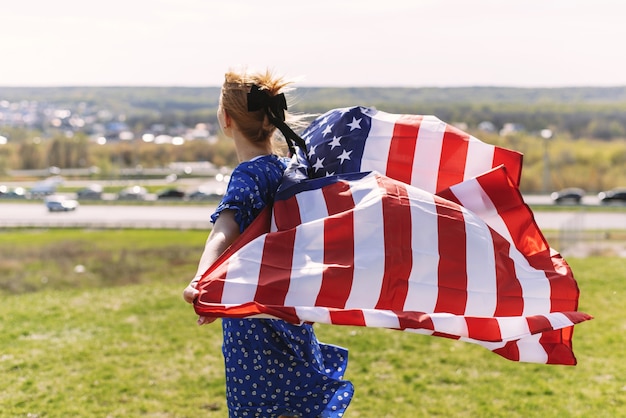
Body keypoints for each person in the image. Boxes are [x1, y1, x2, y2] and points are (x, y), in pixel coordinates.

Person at [183, 68, 353, 418]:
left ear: (226, 119)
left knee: (261, 408)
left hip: (254, 327)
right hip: (290, 313)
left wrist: (201, 279)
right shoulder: (289, 169)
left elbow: (225, 227)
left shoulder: (249, 175)